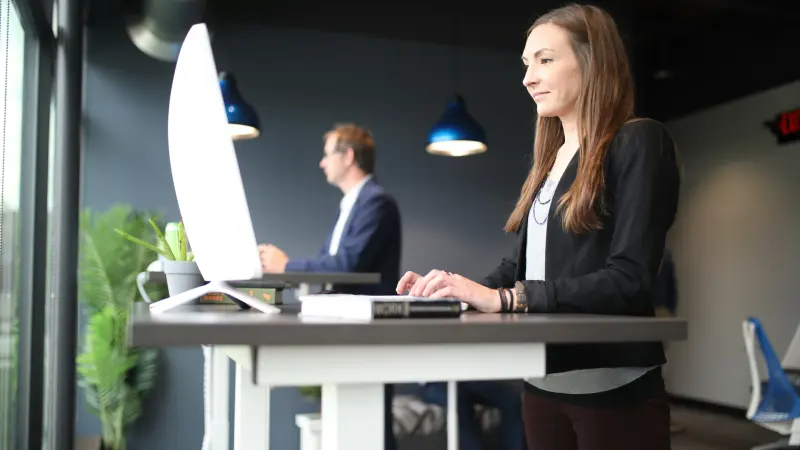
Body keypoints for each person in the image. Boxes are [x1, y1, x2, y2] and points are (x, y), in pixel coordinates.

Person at [396, 4, 681, 450]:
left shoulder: (639, 140)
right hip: (543, 385)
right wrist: (455, 291)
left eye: (545, 60)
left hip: (612, 388)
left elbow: (630, 279)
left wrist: (509, 298)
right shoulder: (551, 162)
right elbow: (520, 264)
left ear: (592, 61)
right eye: (527, 63)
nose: (528, 77)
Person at [259, 123, 402, 450]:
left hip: (368, 333)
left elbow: (347, 265)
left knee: (374, 428)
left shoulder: (376, 203)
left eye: (327, 155)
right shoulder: (352, 204)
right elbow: (333, 263)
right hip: (348, 330)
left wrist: (287, 266)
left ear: (348, 156)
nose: (322, 163)